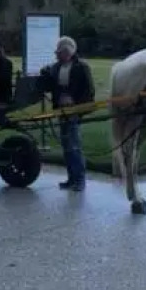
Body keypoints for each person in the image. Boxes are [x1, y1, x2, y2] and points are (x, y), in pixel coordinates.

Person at [40, 36, 95, 191]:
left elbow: (89, 90)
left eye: (59, 52)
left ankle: (79, 180)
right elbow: (49, 85)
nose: (56, 55)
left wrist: (76, 103)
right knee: (66, 145)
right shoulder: (56, 67)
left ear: (67, 52)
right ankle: (71, 179)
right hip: (61, 110)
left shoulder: (81, 67)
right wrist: (45, 73)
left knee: (74, 145)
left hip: (74, 110)